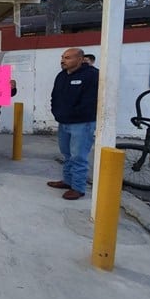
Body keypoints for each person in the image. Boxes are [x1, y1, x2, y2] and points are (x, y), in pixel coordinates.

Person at [47, 48, 99, 200]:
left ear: (80, 59)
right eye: (63, 57)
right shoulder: (61, 75)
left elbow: (91, 101)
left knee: (78, 157)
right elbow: (54, 96)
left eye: (68, 57)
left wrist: (71, 114)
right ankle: (67, 181)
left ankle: (78, 188)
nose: (63, 60)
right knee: (67, 154)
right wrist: (56, 112)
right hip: (64, 122)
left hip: (82, 123)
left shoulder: (91, 75)